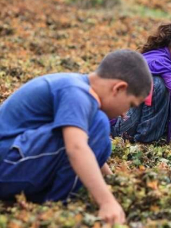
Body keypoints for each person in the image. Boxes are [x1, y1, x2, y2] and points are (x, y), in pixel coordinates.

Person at [0, 49, 152, 225]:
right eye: (130, 105)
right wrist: (106, 201)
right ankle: (56, 205)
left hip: (14, 162)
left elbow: (91, 148)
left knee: (97, 130)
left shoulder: (76, 86)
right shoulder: (76, 93)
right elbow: (77, 148)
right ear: (119, 88)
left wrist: (112, 182)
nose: (125, 113)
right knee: (99, 124)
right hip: (6, 164)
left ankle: (51, 199)